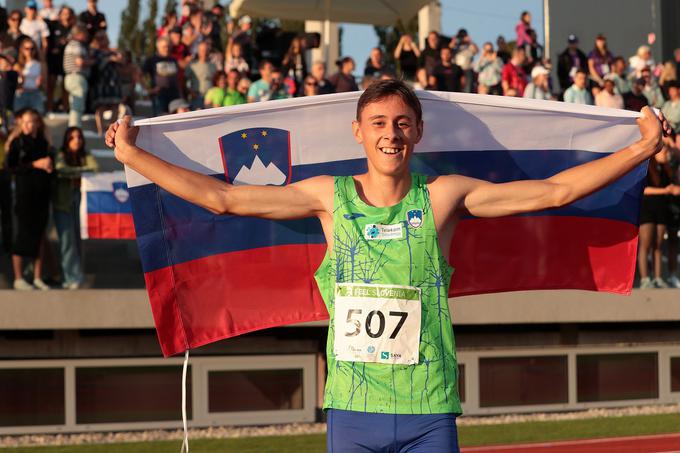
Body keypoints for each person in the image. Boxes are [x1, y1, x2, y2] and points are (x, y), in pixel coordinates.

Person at [106, 79, 670, 452]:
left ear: (418, 132)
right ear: (358, 132)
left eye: (401, 123)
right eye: (378, 123)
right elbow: (222, 199)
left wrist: (642, 149)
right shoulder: (329, 197)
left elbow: (550, 191)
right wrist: (131, 154)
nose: (390, 134)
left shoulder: (443, 197)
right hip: (353, 410)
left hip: (430, 410)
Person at [6, 108, 53, 291]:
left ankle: (37, 276)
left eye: (30, 121)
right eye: (23, 122)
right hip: (24, 195)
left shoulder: (43, 143)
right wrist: (35, 164)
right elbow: (12, 167)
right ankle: (18, 277)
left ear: (37, 123)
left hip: (41, 195)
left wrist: (49, 167)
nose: (27, 125)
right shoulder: (17, 143)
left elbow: (50, 164)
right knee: (23, 234)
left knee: (39, 235)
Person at [53, 126, 98, 289]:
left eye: (79, 137)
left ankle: (76, 274)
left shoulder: (86, 155)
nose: (76, 140)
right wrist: (79, 172)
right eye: (72, 137)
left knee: (78, 238)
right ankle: (70, 277)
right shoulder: (60, 154)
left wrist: (72, 173)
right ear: (67, 140)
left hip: (81, 200)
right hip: (63, 201)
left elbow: (95, 169)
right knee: (67, 240)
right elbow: (60, 169)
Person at [638, 148, 675, 289]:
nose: (666, 152)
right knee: (645, 244)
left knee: (658, 245)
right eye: (663, 150)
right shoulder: (647, 166)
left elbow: (671, 183)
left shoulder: (665, 168)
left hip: (661, 209)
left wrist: (667, 166)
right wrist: (665, 191)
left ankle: (658, 277)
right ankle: (645, 278)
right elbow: (644, 190)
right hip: (647, 209)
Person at [45, 6, 75, 113]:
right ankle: (49, 108)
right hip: (54, 60)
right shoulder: (54, 25)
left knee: (65, 86)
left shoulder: (73, 28)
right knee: (51, 85)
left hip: (68, 61)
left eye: (69, 13)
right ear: (60, 15)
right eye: (64, 13)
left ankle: (65, 109)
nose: (66, 15)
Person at [63, 24, 92, 127]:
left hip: (72, 77)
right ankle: (75, 128)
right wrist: (92, 62)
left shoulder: (72, 44)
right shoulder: (76, 44)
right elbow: (80, 62)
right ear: (80, 34)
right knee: (77, 106)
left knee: (75, 105)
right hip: (77, 77)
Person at [143, 37, 181, 116]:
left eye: (168, 46)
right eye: (164, 47)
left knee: (176, 119)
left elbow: (177, 77)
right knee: (162, 119)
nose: (166, 49)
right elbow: (139, 75)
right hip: (159, 96)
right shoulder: (152, 60)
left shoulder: (173, 59)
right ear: (158, 47)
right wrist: (148, 90)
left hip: (174, 94)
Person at [13, 37, 44, 113]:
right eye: (27, 48)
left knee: (37, 116)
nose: (29, 51)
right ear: (22, 49)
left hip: (35, 93)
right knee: (19, 117)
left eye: (32, 48)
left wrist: (40, 83)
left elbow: (44, 85)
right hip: (21, 94)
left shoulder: (40, 64)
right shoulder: (17, 65)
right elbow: (14, 84)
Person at [185, 40, 216, 109]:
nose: (204, 53)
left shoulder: (213, 65)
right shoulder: (192, 65)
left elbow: (215, 80)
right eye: (202, 50)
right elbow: (184, 80)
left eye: (206, 50)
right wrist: (191, 92)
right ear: (198, 51)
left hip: (209, 97)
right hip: (196, 97)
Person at [450, 29, 478, 93]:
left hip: (467, 69)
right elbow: (448, 50)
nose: (462, 38)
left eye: (463, 36)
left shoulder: (469, 46)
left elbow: (476, 51)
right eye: (460, 36)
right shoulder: (455, 46)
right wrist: (454, 41)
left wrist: (470, 41)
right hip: (456, 70)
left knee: (467, 89)